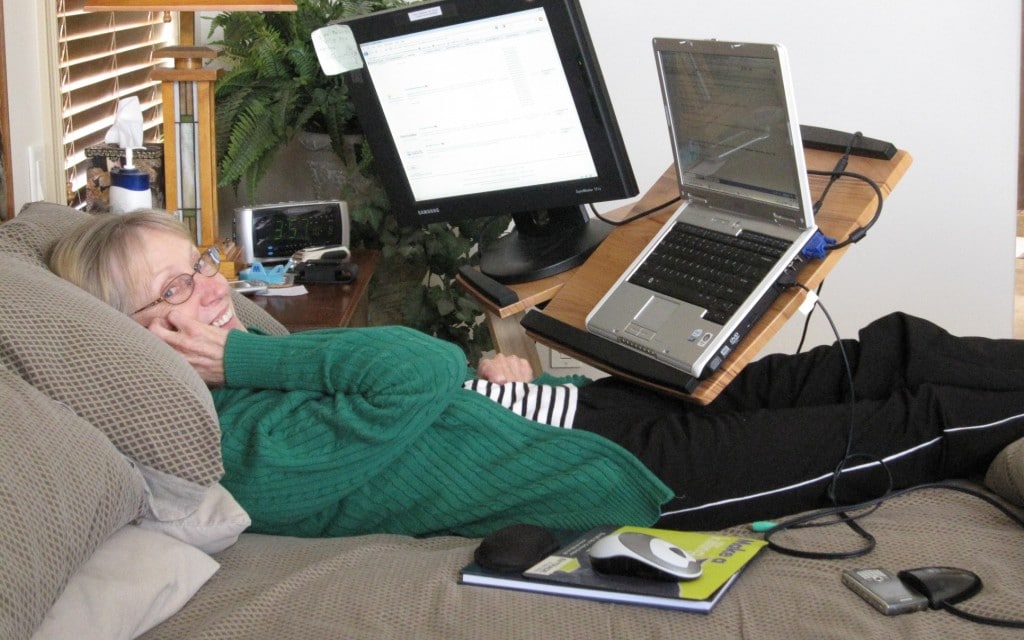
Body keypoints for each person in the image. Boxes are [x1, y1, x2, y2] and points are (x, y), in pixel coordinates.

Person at [49, 209, 1024, 538]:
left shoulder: (248, 381)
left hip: (591, 409)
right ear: (128, 338)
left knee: (888, 348)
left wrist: (484, 382)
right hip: (621, 476)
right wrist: (255, 352)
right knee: (921, 419)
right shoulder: (232, 445)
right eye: (174, 290)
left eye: (202, 267)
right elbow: (412, 374)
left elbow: (425, 390)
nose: (213, 295)